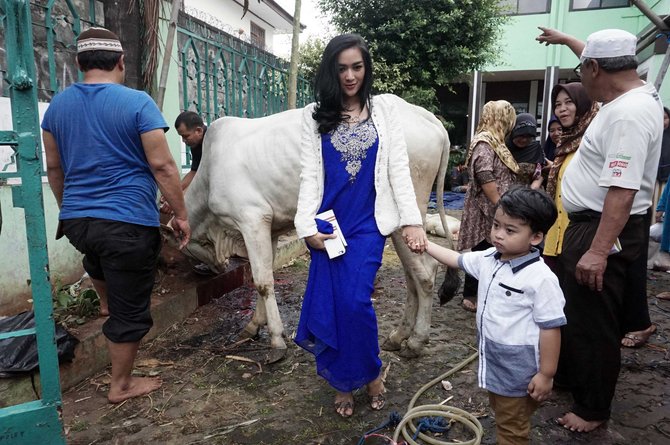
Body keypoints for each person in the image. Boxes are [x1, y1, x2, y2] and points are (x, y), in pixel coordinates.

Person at [41, 27, 191, 403]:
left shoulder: (57, 106)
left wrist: (69, 208)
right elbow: (163, 166)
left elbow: (54, 169)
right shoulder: (138, 103)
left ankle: (107, 303)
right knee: (132, 311)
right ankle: (120, 385)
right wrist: (181, 214)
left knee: (97, 257)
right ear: (121, 62)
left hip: (78, 220)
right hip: (126, 220)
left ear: (78, 63)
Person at [293, 34, 426, 418]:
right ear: (331, 72)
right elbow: (309, 176)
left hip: (368, 225)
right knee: (335, 306)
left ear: (366, 69)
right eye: (342, 68)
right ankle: (343, 381)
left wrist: (412, 221)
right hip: (329, 224)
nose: (350, 75)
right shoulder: (314, 114)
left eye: (357, 67)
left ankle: (370, 372)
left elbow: (398, 168)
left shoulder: (383, 111)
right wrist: (306, 229)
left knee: (355, 303)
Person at [537, 28, 663, 432]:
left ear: (594, 68)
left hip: (600, 228)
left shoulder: (626, 114)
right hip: (594, 224)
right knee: (577, 313)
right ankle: (576, 381)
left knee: (594, 322)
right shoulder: (633, 94)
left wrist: (597, 250)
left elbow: (622, 190)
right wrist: (566, 40)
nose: (581, 79)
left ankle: (592, 410)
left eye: (582, 67)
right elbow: (597, 59)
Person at [426, 186, 565, 445]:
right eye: (496, 225)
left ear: (535, 237)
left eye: (510, 230)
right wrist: (425, 244)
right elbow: (456, 259)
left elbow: (551, 329)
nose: (498, 235)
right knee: (505, 414)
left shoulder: (541, 279)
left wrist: (546, 374)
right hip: (494, 361)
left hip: (519, 370)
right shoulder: (490, 257)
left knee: (512, 428)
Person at [458, 100, 518, 312]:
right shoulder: (485, 143)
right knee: (483, 250)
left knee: (495, 250)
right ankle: (471, 294)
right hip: (486, 210)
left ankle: (490, 291)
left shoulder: (496, 143)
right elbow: (485, 175)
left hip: (497, 209)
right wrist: (500, 205)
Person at [543, 83, 598, 272]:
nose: (562, 109)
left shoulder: (592, 142)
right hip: (556, 233)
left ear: (582, 104)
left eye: (568, 102)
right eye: (557, 104)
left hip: (582, 237)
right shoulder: (565, 144)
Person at [505, 113, 545, 189]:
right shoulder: (502, 149)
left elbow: (542, 173)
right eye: (521, 135)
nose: (524, 140)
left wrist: (532, 189)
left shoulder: (535, 148)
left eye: (529, 137)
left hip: (530, 195)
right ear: (513, 132)